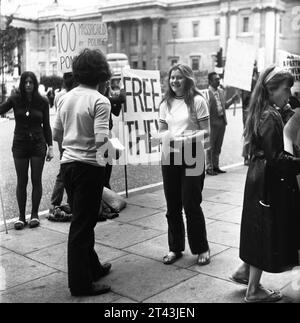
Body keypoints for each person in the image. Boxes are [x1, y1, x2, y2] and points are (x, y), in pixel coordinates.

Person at [231, 65, 300, 303]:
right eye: (285, 88)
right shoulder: (270, 115)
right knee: (263, 231)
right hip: (267, 181)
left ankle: (243, 272)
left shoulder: (263, 110)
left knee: (256, 227)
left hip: (257, 178)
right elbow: (277, 158)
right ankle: (253, 291)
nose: (289, 94)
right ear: (272, 90)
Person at [52, 49, 112, 297]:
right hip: (89, 167)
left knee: (82, 220)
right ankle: (80, 283)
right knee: (82, 226)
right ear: (101, 72)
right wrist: (112, 152)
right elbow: (101, 141)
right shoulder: (100, 101)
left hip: (68, 165)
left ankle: (94, 268)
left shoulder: (64, 98)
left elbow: (56, 135)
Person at [158, 63, 211, 266]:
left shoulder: (198, 101)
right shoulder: (165, 103)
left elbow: (206, 131)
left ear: (187, 79)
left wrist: (185, 138)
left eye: (179, 77)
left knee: (191, 203)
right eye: (172, 77)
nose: (174, 81)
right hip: (170, 155)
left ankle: (201, 248)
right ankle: (175, 248)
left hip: (193, 155)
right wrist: (166, 137)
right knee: (172, 205)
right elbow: (162, 129)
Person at [0, 71, 53, 230]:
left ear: (35, 84)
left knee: (36, 180)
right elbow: (1, 109)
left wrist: (50, 147)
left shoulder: (42, 101)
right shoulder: (15, 99)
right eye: (25, 82)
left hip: (38, 144)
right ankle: (21, 217)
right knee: (21, 181)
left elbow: (47, 126)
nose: (28, 84)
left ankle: (35, 215)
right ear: (22, 84)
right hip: (20, 144)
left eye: (31, 82)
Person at [48, 73, 76, 220]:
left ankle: (55, 203)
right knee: (64, 173)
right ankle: (57, 203)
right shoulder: (65, 97)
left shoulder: (60, 96)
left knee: (63, 171)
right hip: (68, 135)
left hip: (63, 136)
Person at [206, 72, 239, 175]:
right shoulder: (207, 93)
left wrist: (233, 99)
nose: (218, 80)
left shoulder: (221, 91)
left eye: (218, 79)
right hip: (212, 124)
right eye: (216, 79)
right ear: (210, 81)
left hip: (221, 122)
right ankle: (209, 167)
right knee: (210, 146)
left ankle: (216, 166)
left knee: (218, 146)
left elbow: (225, 106)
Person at [241, 66, 259, 166]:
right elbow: (246, 99)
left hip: (249, 111)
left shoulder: (249, 82)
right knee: (249, 134)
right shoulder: (250, 82)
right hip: (249, 111)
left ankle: (247, 156)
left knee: (249, 134)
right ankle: (246, 157)